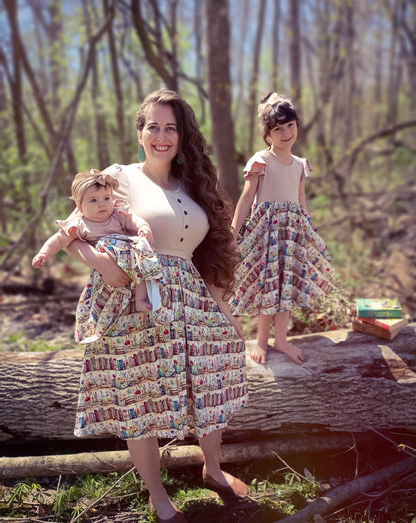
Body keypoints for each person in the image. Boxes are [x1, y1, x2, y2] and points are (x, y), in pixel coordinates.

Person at [66, 89, 249, 523]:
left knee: (210, 377)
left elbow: (209, 255)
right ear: (140, 132)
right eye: (153, 127)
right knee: (142, 397)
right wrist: (100, 265)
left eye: (171, 128)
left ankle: (213, 470)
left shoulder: (194, 184)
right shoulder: (120, 178)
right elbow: (73, 227)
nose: (162, 136)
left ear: (182, 135)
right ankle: (157, 494)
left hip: (192, 298)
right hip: (135, 299)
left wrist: (226, 311)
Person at [230, 92, 337, 365]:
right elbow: (246, 198)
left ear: (297, 125)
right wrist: (234, 231)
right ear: (267, 134)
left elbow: (301, 202)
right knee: (269, 286)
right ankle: (262, 341)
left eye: (290, 125)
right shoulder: (262, 160)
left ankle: (281, 340)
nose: (286, 133)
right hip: (269, 234)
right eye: (278, 129)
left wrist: (310, 233)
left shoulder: (300, 165)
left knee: (286, 286)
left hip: (292, 234)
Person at [32, 169, 165, 343]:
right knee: (104, 297)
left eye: (106, 198)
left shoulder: (117, 216)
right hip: (105, 270)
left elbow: (134, 219)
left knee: (141, 265)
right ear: (80, 207)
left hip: (129, 261)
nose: (102, 204)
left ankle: (141, 299)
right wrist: (43, 253)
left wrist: (143, 227)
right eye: (93, 200)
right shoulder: (79, 224)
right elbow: (58, 240)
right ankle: (98, 324)